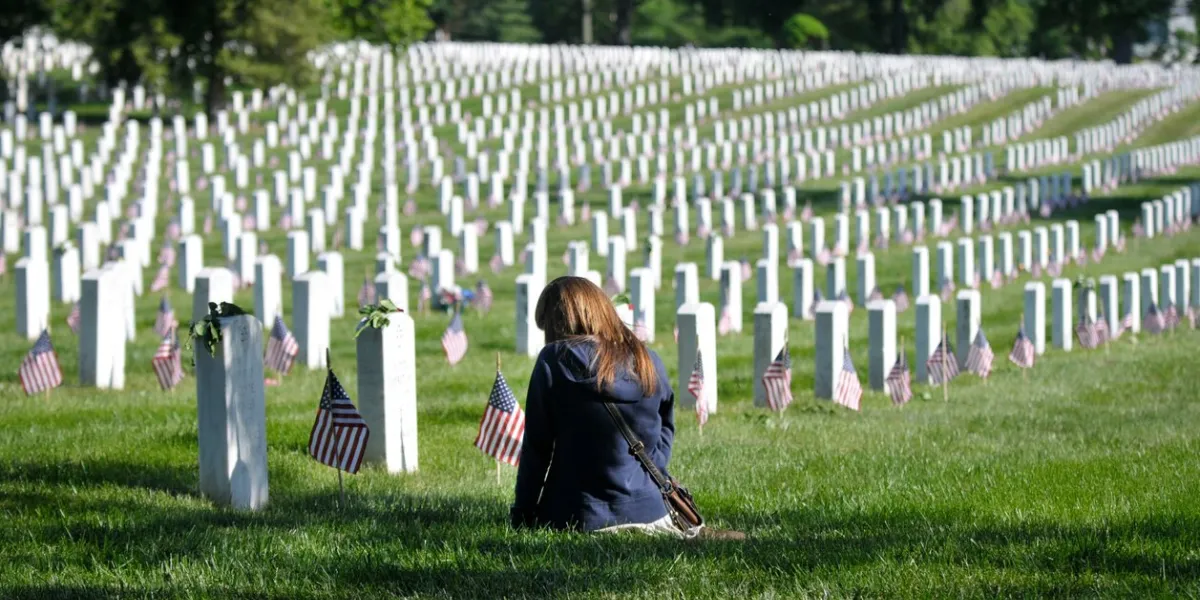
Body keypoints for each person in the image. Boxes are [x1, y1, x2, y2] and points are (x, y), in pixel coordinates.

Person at [511, 276, 742, 539]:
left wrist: (523, 513)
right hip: (652, 514)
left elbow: (537, 448)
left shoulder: (553, 361)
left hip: (578, 516)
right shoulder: (647, 358)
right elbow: (664, 427)